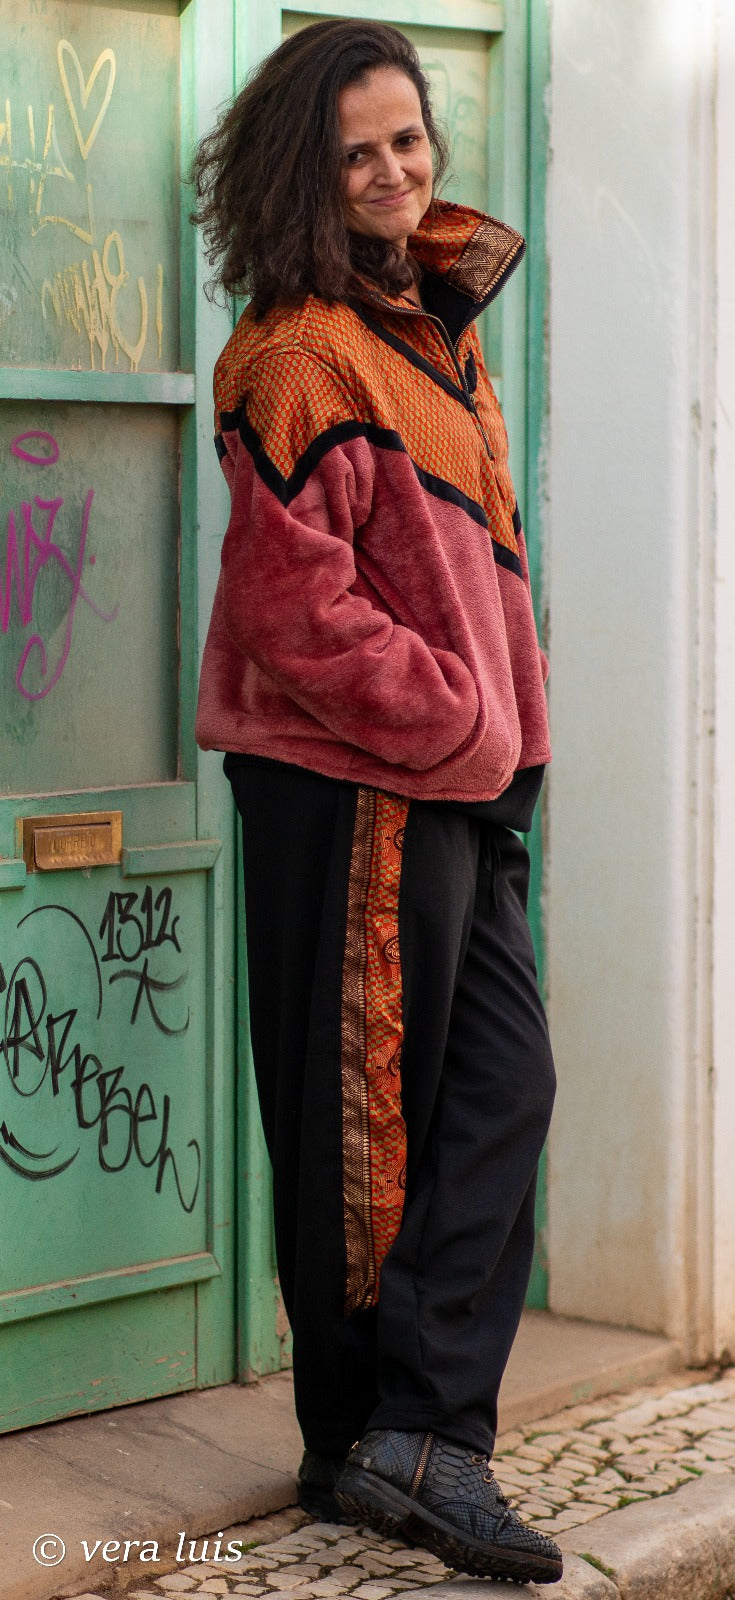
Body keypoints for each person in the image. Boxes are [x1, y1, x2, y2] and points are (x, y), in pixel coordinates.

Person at [192, 18, 561, 1586]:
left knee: (502, 1088)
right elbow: (296, 612)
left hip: (460, 785)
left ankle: (408, 1433)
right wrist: (463, 715)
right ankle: (377, 1439)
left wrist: (501, 732)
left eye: (408, 138)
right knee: (366, 1141)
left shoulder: (431, 329)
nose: (396, 170)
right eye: (358, 153)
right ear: (307, 173)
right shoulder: (297, 355)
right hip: (352, 782)